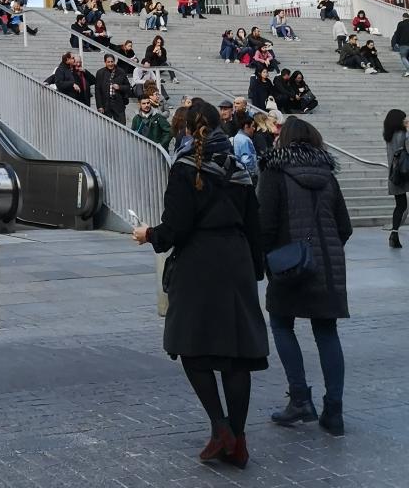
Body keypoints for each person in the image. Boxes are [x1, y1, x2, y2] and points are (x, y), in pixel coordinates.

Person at [131, 98, 266, 468]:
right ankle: (236, 440)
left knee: (190, 346)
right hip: (235, 260)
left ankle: (221, 427)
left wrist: (148, 235)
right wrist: (255, 269)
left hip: (198, 262)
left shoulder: (185, 168)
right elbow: (254, 224)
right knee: (238, 353)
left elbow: (176, 227)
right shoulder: (238, 167)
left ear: (188, 129)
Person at [259, 116, 353, 436]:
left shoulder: (274, 172)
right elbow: (345, 226)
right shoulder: (328, 174)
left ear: (283, 139)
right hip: (328, 266)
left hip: (290, 267)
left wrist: (270, 260)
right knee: (327, 332)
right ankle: (334, 412)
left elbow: (265, 227)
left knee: (281, 323)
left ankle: (300, 399)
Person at [384, 108, 409, 249]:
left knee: (400, 205)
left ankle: (394, 233)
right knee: (402, 206)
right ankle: (394, 235)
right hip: (406, 173)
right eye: (403, 119)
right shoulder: (402, 134)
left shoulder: (388, 135)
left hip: (395, 175)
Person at [95, 53, 130, 124]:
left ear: (114, 61)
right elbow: (97, 90)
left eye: (112, 61)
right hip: (105, 104)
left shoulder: (121, 72)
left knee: (121, 125)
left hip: (118, 103)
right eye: (108, 62)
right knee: (106, 127)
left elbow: (128, 86)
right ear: (105, 62)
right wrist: (99, 106)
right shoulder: (100, 73)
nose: (110, 64)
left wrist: (119, 87)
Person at [231, 113, 259, 184]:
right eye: (252, 126)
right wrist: (252, 174)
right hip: (248, 176)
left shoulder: (237, 137)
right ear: (246, 126)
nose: (254, 129)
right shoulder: (245, 140)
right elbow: (247, 159)